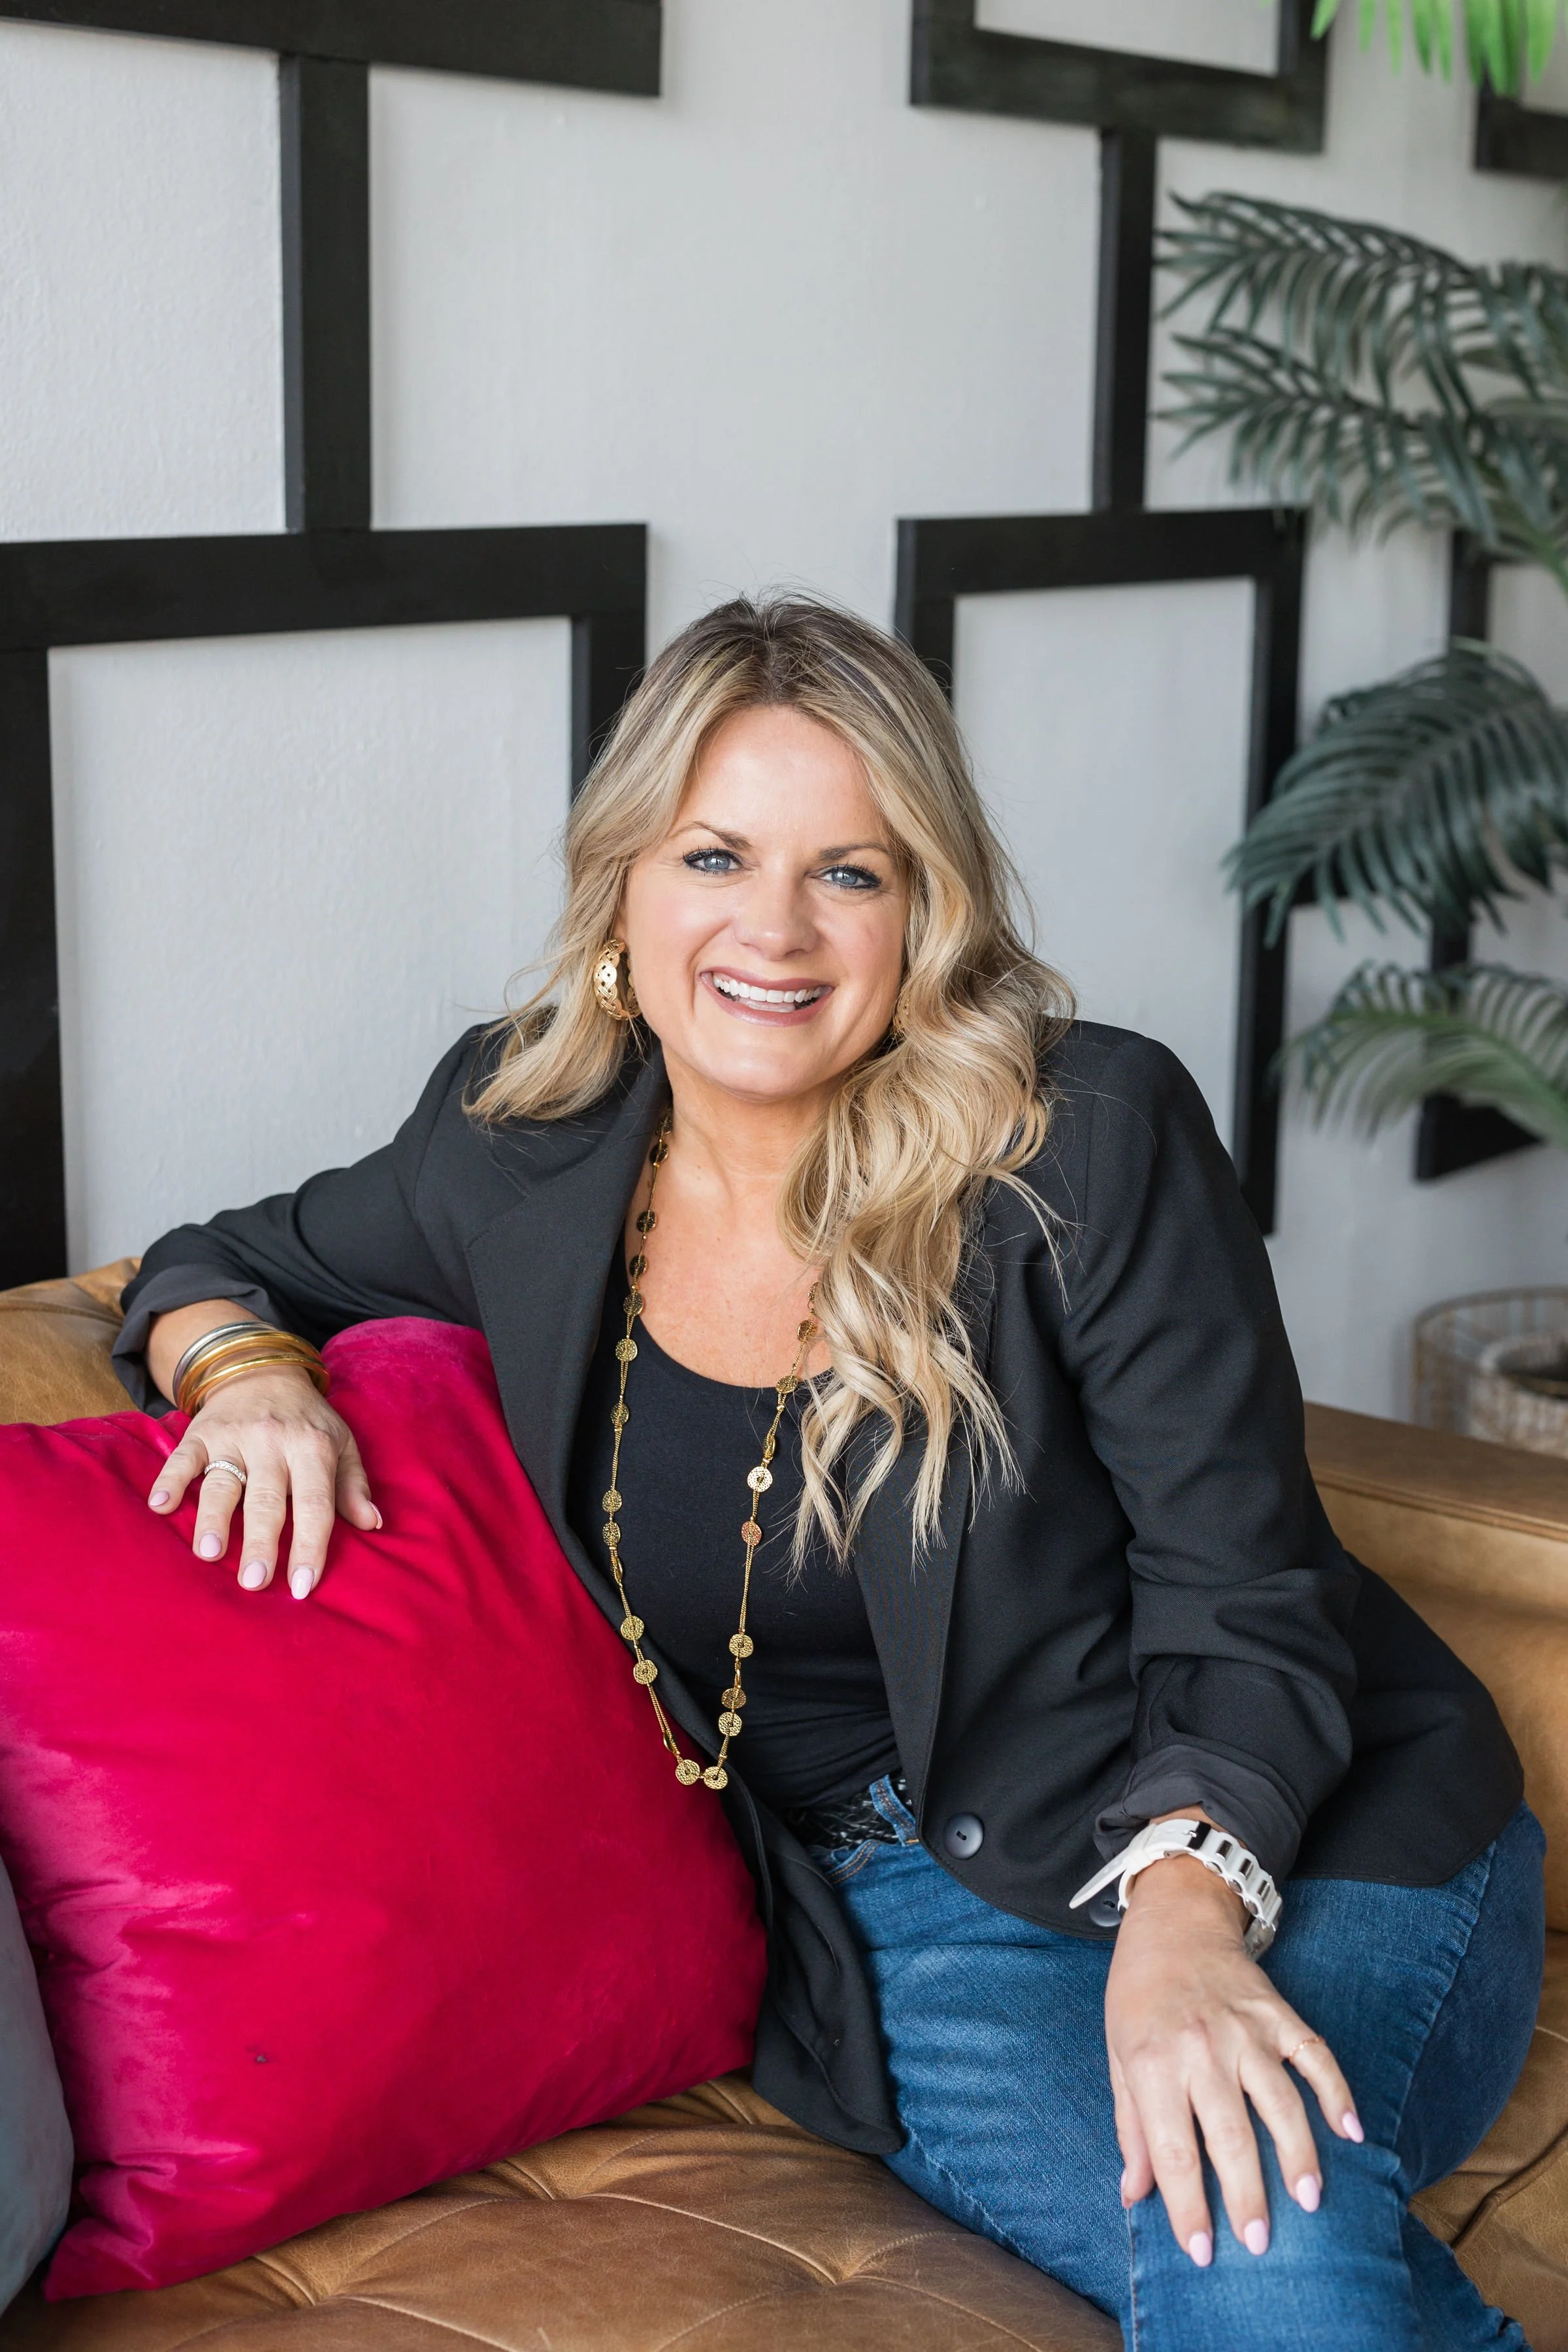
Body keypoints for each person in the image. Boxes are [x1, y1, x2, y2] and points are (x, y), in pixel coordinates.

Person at [113, 595, 1542, 2351]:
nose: (774, 930)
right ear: (624, 883)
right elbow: (211, 1258)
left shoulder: (1079, 1136)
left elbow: (1243, 1588)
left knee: (1251, 2220)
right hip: (902, 1919)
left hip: (1297, 1818)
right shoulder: (520, 1143)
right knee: (1259, 2241)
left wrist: (1186, 1930)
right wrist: (248, 1371)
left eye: (850, 873)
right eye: (716, 854)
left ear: (923, 910)